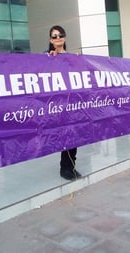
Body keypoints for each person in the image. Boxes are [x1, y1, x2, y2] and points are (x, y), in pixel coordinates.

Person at [47, 25, 82, 181]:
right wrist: (50, 60)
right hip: (58, 104)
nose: (58, 38)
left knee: (75, 134)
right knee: (65, 135)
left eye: (60, 35)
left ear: (65, 37)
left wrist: (78, 61)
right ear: (50, 40)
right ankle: (65, 168)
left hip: (73, 103)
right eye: (54, 36)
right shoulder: (47, 57)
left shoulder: (72, 57)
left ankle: (71, 165)